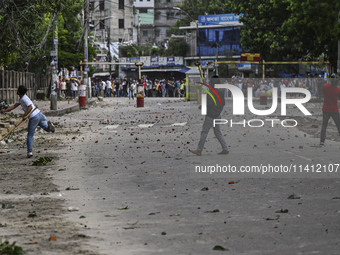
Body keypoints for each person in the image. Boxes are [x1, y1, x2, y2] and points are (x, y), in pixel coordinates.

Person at [0, 85, 55, 158]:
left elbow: (30, 107)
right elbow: (13, 106)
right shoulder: (21, 98)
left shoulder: (24, 99)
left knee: (30, 134)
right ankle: (50, 126)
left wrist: (25, 115)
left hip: (34, 117)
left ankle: (29, 152)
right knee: (46, 128)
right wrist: (4, 110)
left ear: (18, 92)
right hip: (39, 114)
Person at [189, 76, 229, 156]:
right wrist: (218, 111)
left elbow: (209, 104)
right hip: (218, 115)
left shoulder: (210, 92)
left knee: (204, 132)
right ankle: (225, 148)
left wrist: (202, 106)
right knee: (217, 132)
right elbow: (223, 103)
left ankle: (199, 150)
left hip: (210, 116)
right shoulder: (220, 92)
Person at [320, 76, 340, 145]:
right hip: (334, 110)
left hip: (326, 109)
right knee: (338, 125)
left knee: (324, 125)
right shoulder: (337, 90)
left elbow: (322, 91)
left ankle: (322, 141)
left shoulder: (325, 87)